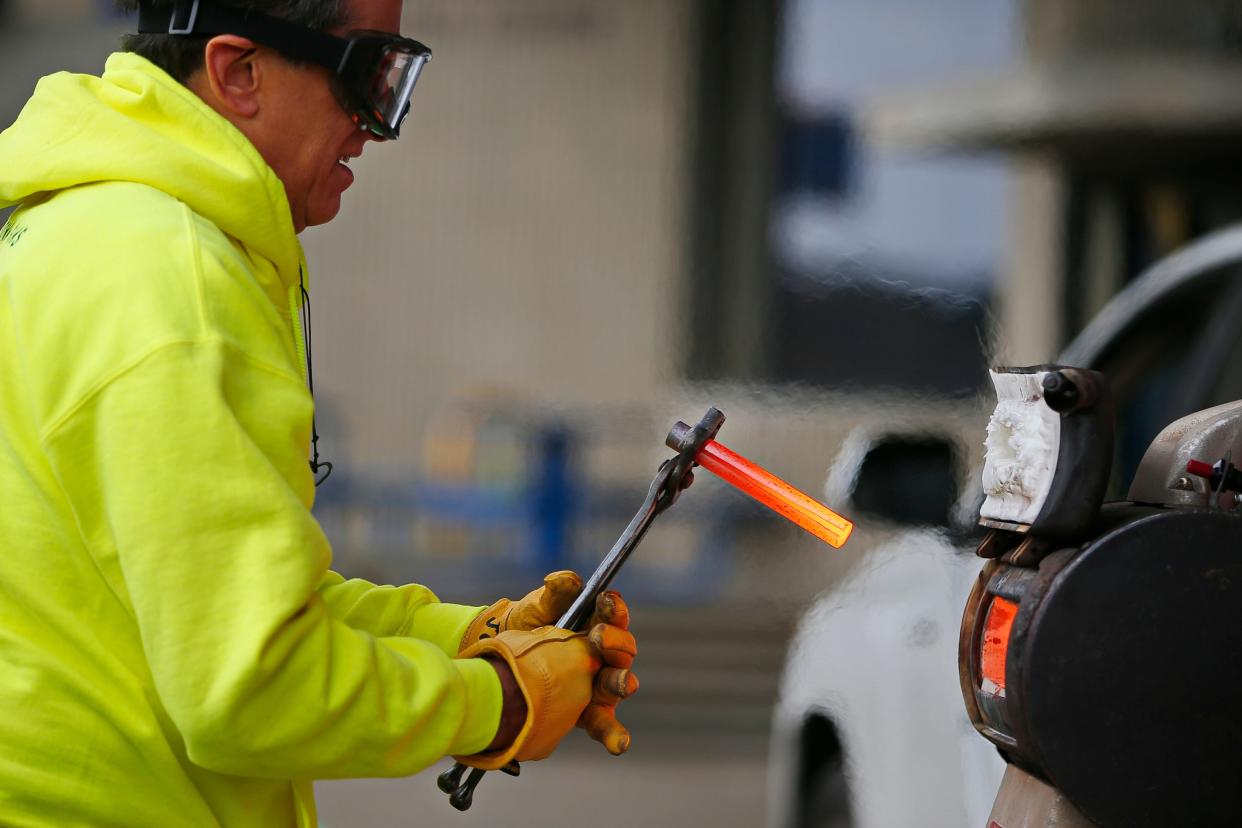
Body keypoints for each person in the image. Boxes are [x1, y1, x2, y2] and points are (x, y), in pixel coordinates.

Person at [0, 0, 638, 824]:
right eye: (368, 71)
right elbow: (248, 683)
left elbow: (211, 599)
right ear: (238, 72)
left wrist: (470, 635)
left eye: (396, 81)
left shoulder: (79, 229)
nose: (377, 125)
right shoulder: (178, 284)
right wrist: (501, 703)